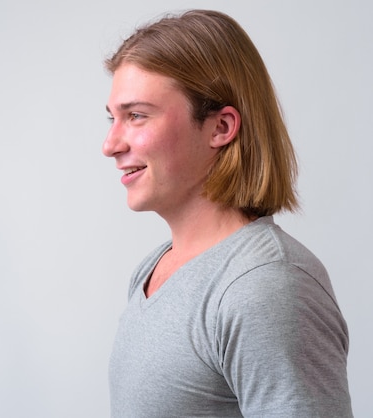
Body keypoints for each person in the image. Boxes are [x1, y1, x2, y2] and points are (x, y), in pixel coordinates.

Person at [102, 9, 352, 417]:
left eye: (137, 116)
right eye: (112, 118)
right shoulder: (153, 270)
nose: (110, 144)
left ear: (220, 127)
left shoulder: (266, 286)